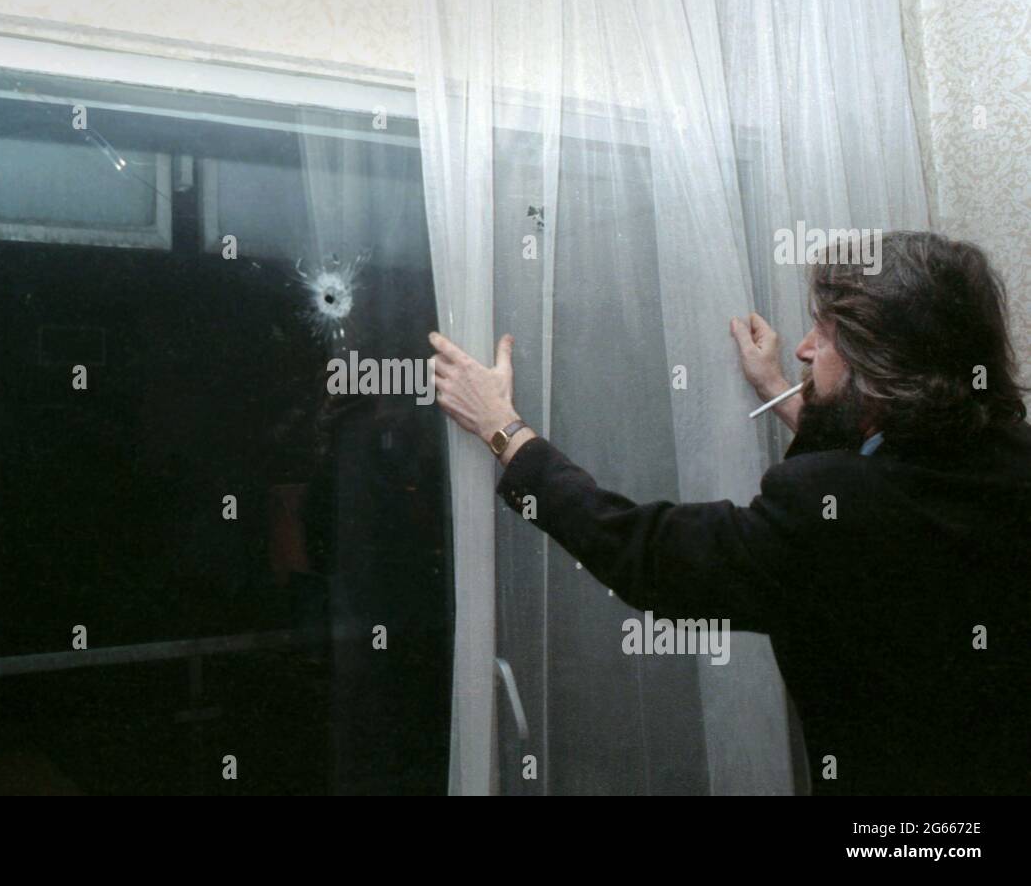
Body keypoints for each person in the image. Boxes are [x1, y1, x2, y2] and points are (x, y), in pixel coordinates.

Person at [429, 231, 1030, 795]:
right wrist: (784, 389)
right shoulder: (1008, 456)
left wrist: (503, 429)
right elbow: (893, 489)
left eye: (825, 335)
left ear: (882, 367)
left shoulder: (831, 510)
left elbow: (646, 552)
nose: (802, 347)